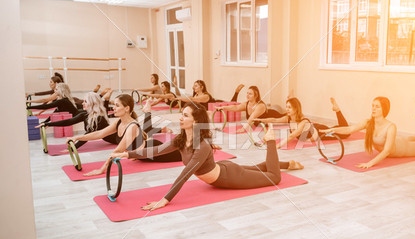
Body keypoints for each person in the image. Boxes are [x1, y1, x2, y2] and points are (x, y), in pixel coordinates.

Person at [111, 103, 303, 211]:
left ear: (195, 121)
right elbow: (155, 151)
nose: (180, 117)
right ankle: (285, 163)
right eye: (182, 114)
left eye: (185, 115)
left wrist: (165, 199)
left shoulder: (201, 146)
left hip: (230, 178)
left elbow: (185, 175)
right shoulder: (181, 139)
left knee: (274, 178)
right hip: (225, 170)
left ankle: (270, 141)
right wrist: (128, 153)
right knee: (261, 170)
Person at [322, 97, 415, 169]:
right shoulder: (367, 122)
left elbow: (387, 151)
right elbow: (349, 129)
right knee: (406, 138)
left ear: (384, 110)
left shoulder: (391, 126)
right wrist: (333, 130)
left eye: (377, 107)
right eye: (372, 106)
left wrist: (370, 163)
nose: (373, 109)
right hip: (397, 141)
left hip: (404, 148)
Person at [67, 94, 146, 176]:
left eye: (117, 105)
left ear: (127, 108)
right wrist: (77, 137)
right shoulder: (119, 122)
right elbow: (100, 133)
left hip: (154, 155)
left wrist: (101, 169)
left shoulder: (132, 126)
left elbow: (118, 151)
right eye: (114, 105)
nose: (113, 108)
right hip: (140, 156)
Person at [254, 97, 350, 148]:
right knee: (341, 128)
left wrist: (278, 146)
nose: (287, 109)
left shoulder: (303, 122)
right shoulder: (288, 118)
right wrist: (261, 120)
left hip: (320, 131)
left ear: (296, 109)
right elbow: (274, 120)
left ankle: (338, 111)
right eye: (286, 106)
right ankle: (337, 111)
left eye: (289, 107)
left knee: (346, 133)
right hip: (315, 130)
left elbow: (292, 136)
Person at [37, 92, 117, 149]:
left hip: (116, 139)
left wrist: (73, 148)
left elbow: (87, 135)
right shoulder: (84, 114)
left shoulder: (99, 118)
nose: (82, 103)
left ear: (92, 103)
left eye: (85, 101)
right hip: (109, 139)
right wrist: (48, 123)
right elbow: (69, 121)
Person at [217, 86, 285, 133]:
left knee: (287, 118)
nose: (247, 95)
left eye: (250, 94)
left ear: (256, 95)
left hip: (274, 117)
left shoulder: (260, 106)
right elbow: (236, 107)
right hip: (263, 124)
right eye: (247, 93)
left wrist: (243, 129)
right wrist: (223, 107)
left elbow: (252, 118)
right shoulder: (246, 104)